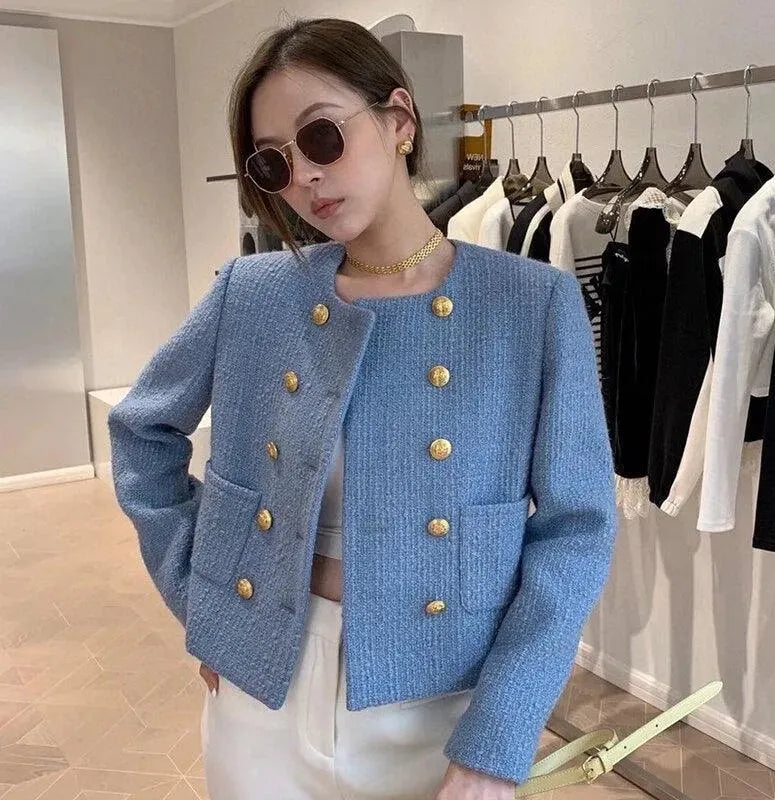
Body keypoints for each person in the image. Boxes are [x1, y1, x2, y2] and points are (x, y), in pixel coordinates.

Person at [107, 16, 618, 800]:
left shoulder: (529, 304)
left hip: (444, 700)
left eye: (322, 137)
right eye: (274, 162)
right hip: (262, 689)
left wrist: (501, 733)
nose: (305, 177)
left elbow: (576, 530)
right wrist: (204, 603)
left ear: (399, 120)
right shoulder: (253, 293)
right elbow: (141, 432)